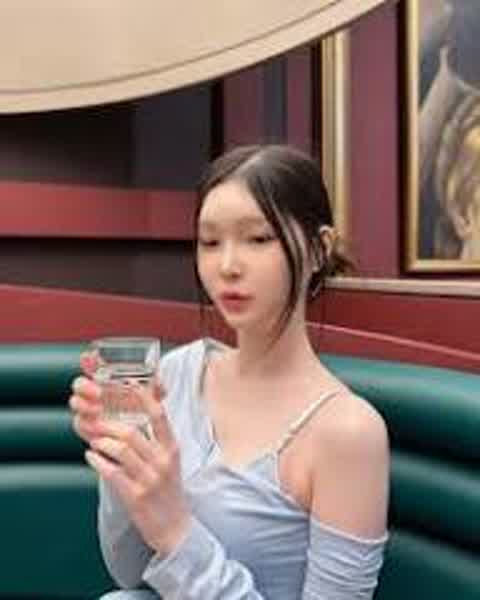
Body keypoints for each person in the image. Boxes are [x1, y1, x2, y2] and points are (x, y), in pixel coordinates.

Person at [69, 144, 390, 599]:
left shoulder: (348, 432)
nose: (227, 266)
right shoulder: (175, 375)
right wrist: (122, 462)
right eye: (210, 242)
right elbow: (129, 572)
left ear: (319, 250)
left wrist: (177, 530)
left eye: (258, 239)